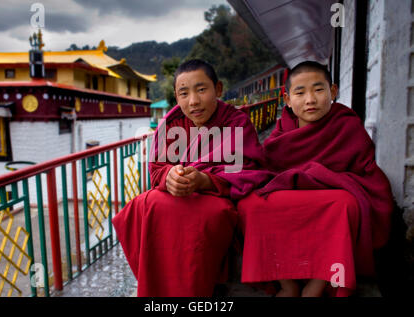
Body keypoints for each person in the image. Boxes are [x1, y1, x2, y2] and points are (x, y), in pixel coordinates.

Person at [237, 61, 394, 297]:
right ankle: (286, 283)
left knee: (345, 204)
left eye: (318, 90)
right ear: (287, 99)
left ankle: (319, 281)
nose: (310, 99)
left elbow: (367, 174)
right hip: (292, 195)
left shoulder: (346, 126)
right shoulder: (282, 132)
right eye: (300, 92)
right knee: (251, 205)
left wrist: (320, 177)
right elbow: (265, 171)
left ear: (332, 92)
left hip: (329, 197)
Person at [112, 59, 267, 297]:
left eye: (201, 89)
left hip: (216, 198)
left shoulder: (236, 122)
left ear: (218, 89)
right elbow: (157, 171)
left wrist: (205, 180)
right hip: (178, 194)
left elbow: (250, 171)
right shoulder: (171, 124)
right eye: (184, 93)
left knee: (208, 214)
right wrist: (169, 177)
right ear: (176, 97)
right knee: (147, 204)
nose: (193, 101)